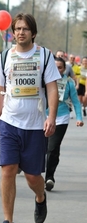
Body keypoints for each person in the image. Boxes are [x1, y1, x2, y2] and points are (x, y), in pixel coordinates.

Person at [0, 13, 61, 223]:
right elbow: (0, 89)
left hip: (34, 125)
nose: (20, 32)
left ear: (33, 32)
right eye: (17, 28)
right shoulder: (4, 57)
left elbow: (51, 88)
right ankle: (7, 222)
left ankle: (40, 197)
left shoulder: (45, 56)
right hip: (10, 123)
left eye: (25, 29)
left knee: (32, 177)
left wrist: (51, 116)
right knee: (8, 170)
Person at [45, 57, 84, 191]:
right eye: (54, 67)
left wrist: (79, 117)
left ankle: (49, 177)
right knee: (39, 146)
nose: (57, 70)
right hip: (42, 117)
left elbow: (76, 102)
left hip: (60, 119)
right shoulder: (43, 79)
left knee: (53, 148)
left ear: (64, 69)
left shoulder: (69, 82)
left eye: (60, 67)